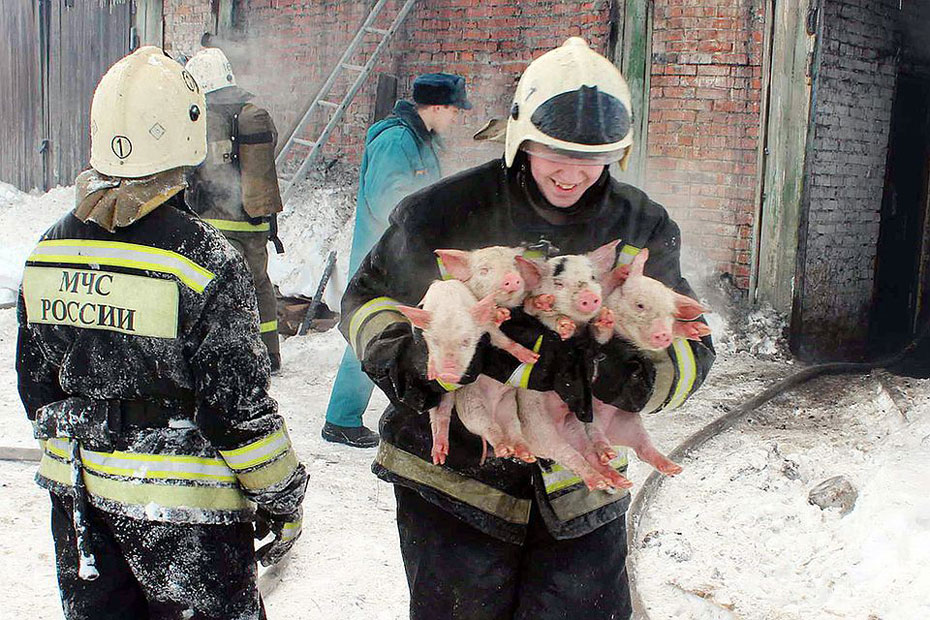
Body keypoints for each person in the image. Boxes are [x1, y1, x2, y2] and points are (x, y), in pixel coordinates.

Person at [340, 38, 715, 619]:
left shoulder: (638, 224)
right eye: (553, 155)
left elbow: (692, 346)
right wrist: (415, 363)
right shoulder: (447, 209)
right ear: (520, 139)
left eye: (593, 160)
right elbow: (367, 303)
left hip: (579, 494)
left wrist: (623, 374)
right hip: (457, 485)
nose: (572, 175)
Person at [16, 47, 307, 620]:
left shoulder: (49, 248)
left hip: (80, 506)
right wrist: (281, 494)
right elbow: (237, 410)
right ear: (187, 138)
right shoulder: (204, 258)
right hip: (187, 518)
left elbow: (36, 389)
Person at [322, 72, 472, 448]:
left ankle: (401, 409)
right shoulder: (395, 141)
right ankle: (340, 419)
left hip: (409, 255)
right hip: (383, 258)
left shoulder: (423, 141)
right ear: (437, 107)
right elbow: (389, 202)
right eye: (455, 110)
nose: (457, 118)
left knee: (400, 333)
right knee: (373, 333)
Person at [185, 47, 285, 372]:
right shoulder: (251, 114)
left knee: (215, 288)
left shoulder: (201, 117)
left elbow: (192, 168)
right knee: (259, 284)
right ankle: (270, 353)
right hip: (255, 221)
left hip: (216, 222)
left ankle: (223, 354)